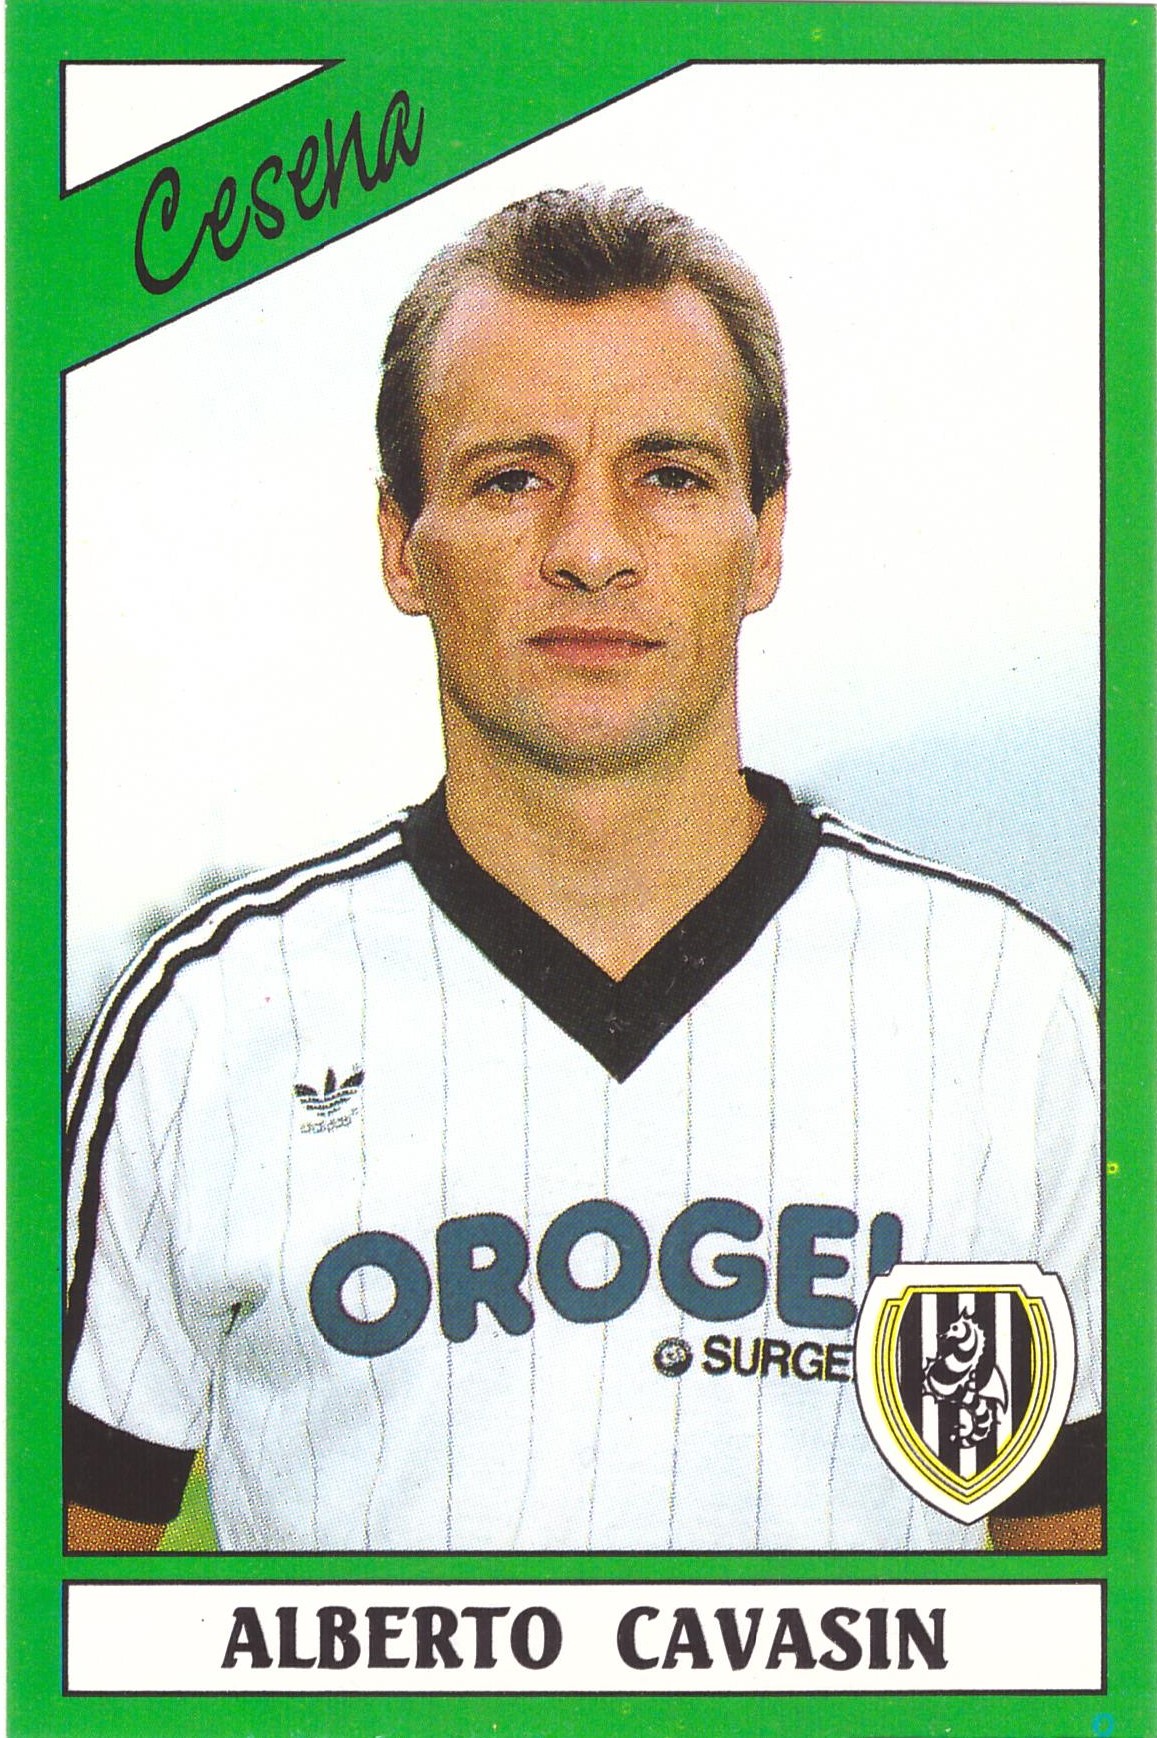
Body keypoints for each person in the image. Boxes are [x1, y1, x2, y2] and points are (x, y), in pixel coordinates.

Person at [65, 186, 1102, 1554]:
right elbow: (47, 1624)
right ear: (400, 544)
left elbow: (1084, 1617)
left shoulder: (996, 1008)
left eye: (669, 475)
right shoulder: (209, 1023)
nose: (592, 550)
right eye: (513, 478)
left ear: (765, 537)